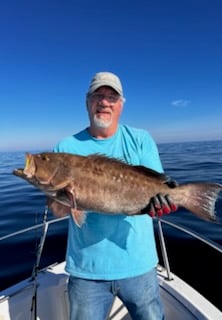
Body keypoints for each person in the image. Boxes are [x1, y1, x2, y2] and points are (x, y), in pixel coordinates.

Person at [49, 72, 176, 320]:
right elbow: (56, 210)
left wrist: (164, 198)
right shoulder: (64, 148)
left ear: (121, 104)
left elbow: (158, 187)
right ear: (87, 102)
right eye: (98, 95)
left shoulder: (140, 139)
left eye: (111, 97)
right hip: (87, 271)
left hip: (140, 266)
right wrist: (66, 199)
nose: (104, 102)